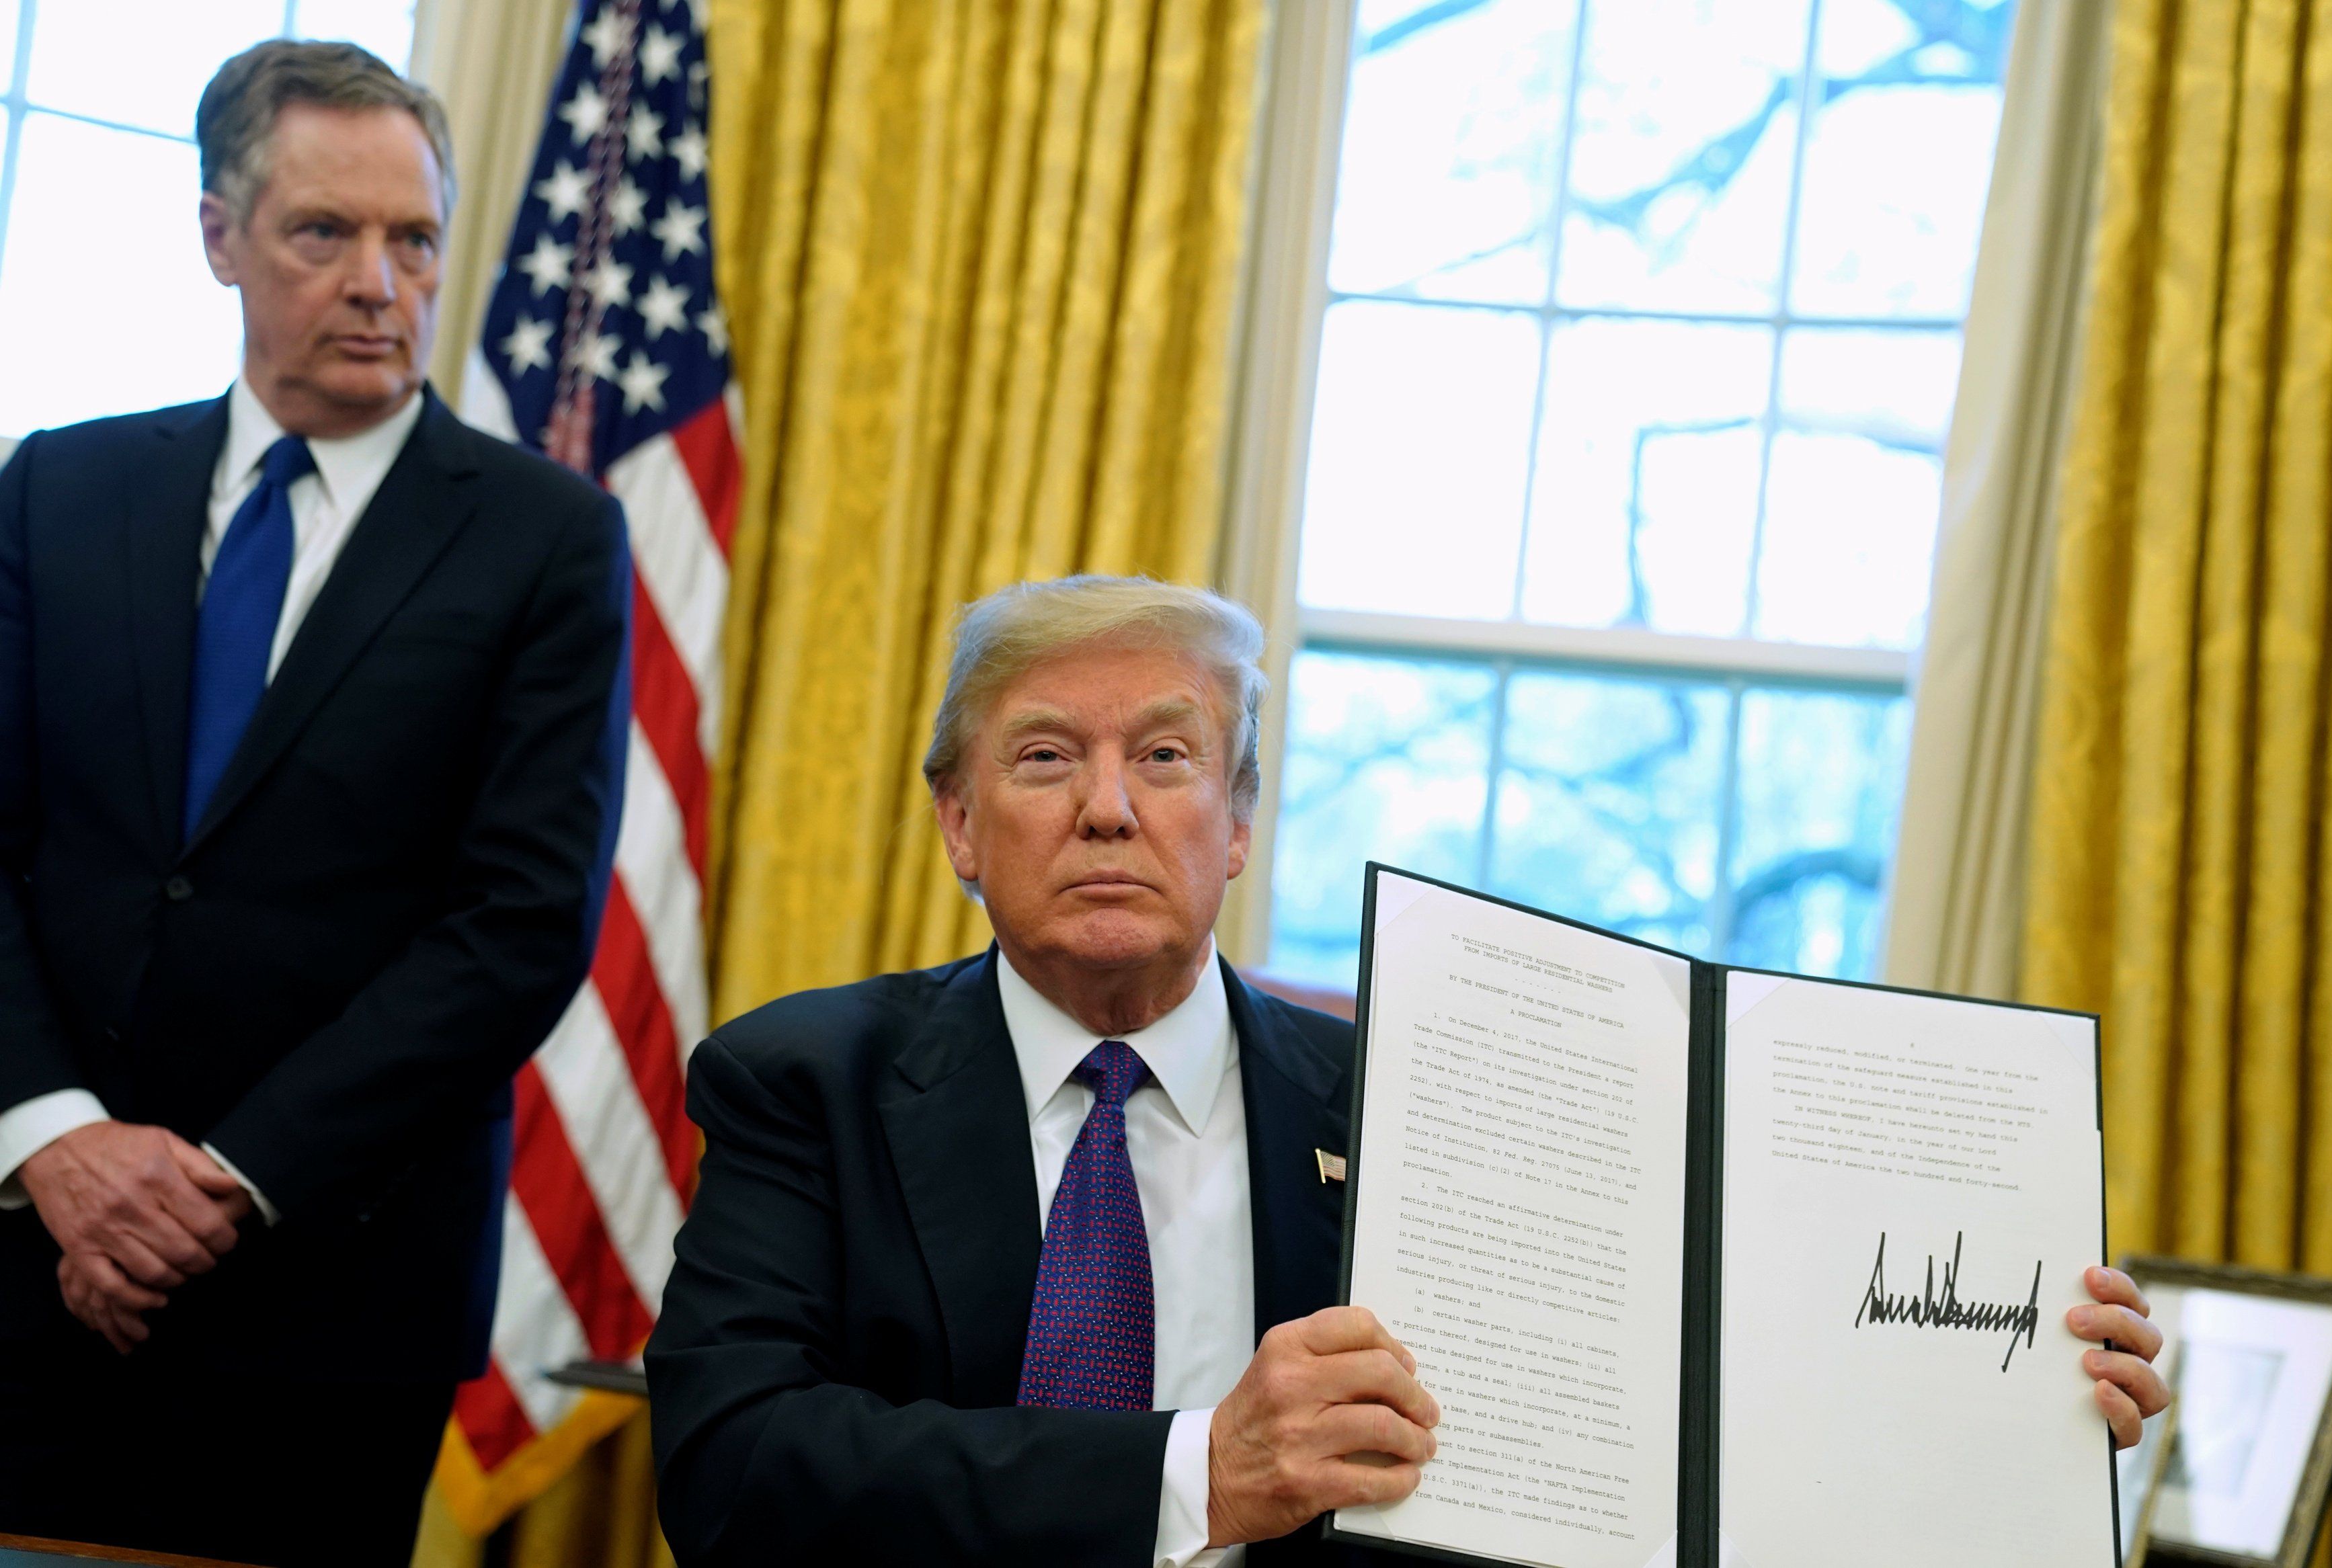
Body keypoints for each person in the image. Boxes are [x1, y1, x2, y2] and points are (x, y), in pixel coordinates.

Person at [646, 576, 2169, 1566]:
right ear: (961, 828)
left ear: (1237, 825)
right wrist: (1196, 1474)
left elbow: (1677, 1433)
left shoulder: (1419, 1102)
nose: (1108, 808)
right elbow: (731, 1469)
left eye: (1167, 760)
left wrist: (2004, 1401)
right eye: (1045, 758)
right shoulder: (804, 1083)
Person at [0, 40, 630, 1568]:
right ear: (219, 237)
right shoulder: (58, 488)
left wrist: (221, 1181)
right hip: (27, 1250)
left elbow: (521, 926)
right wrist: (56, 1136)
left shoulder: (549, 540)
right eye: (322, 233)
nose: (377, 281)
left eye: (412, 238)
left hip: (333, 1294)